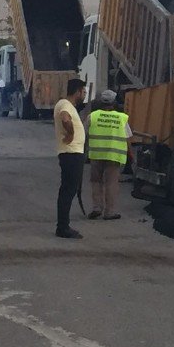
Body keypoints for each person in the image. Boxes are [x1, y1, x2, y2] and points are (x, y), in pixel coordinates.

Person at [85, 90, 132, 221]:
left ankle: (96, 208)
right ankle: (109, 212)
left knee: (96, 181)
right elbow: (128, 137)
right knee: (111, 183)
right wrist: (131, 155)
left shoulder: (92, 116)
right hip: (114, 156)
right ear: (114, 102)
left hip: (96, 154)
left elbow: (84, 134)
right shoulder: (121, 118)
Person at [54, 79, 87, 239]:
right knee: (68, 190)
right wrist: (71, 133)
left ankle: (63, 225)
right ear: (78, 91)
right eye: (84, 91)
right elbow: (65, 118)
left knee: (68, 189)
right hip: (71, 153)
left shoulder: (68, 105)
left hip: (73, 152)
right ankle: (63, 227)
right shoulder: (65, 105)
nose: (85, 94)